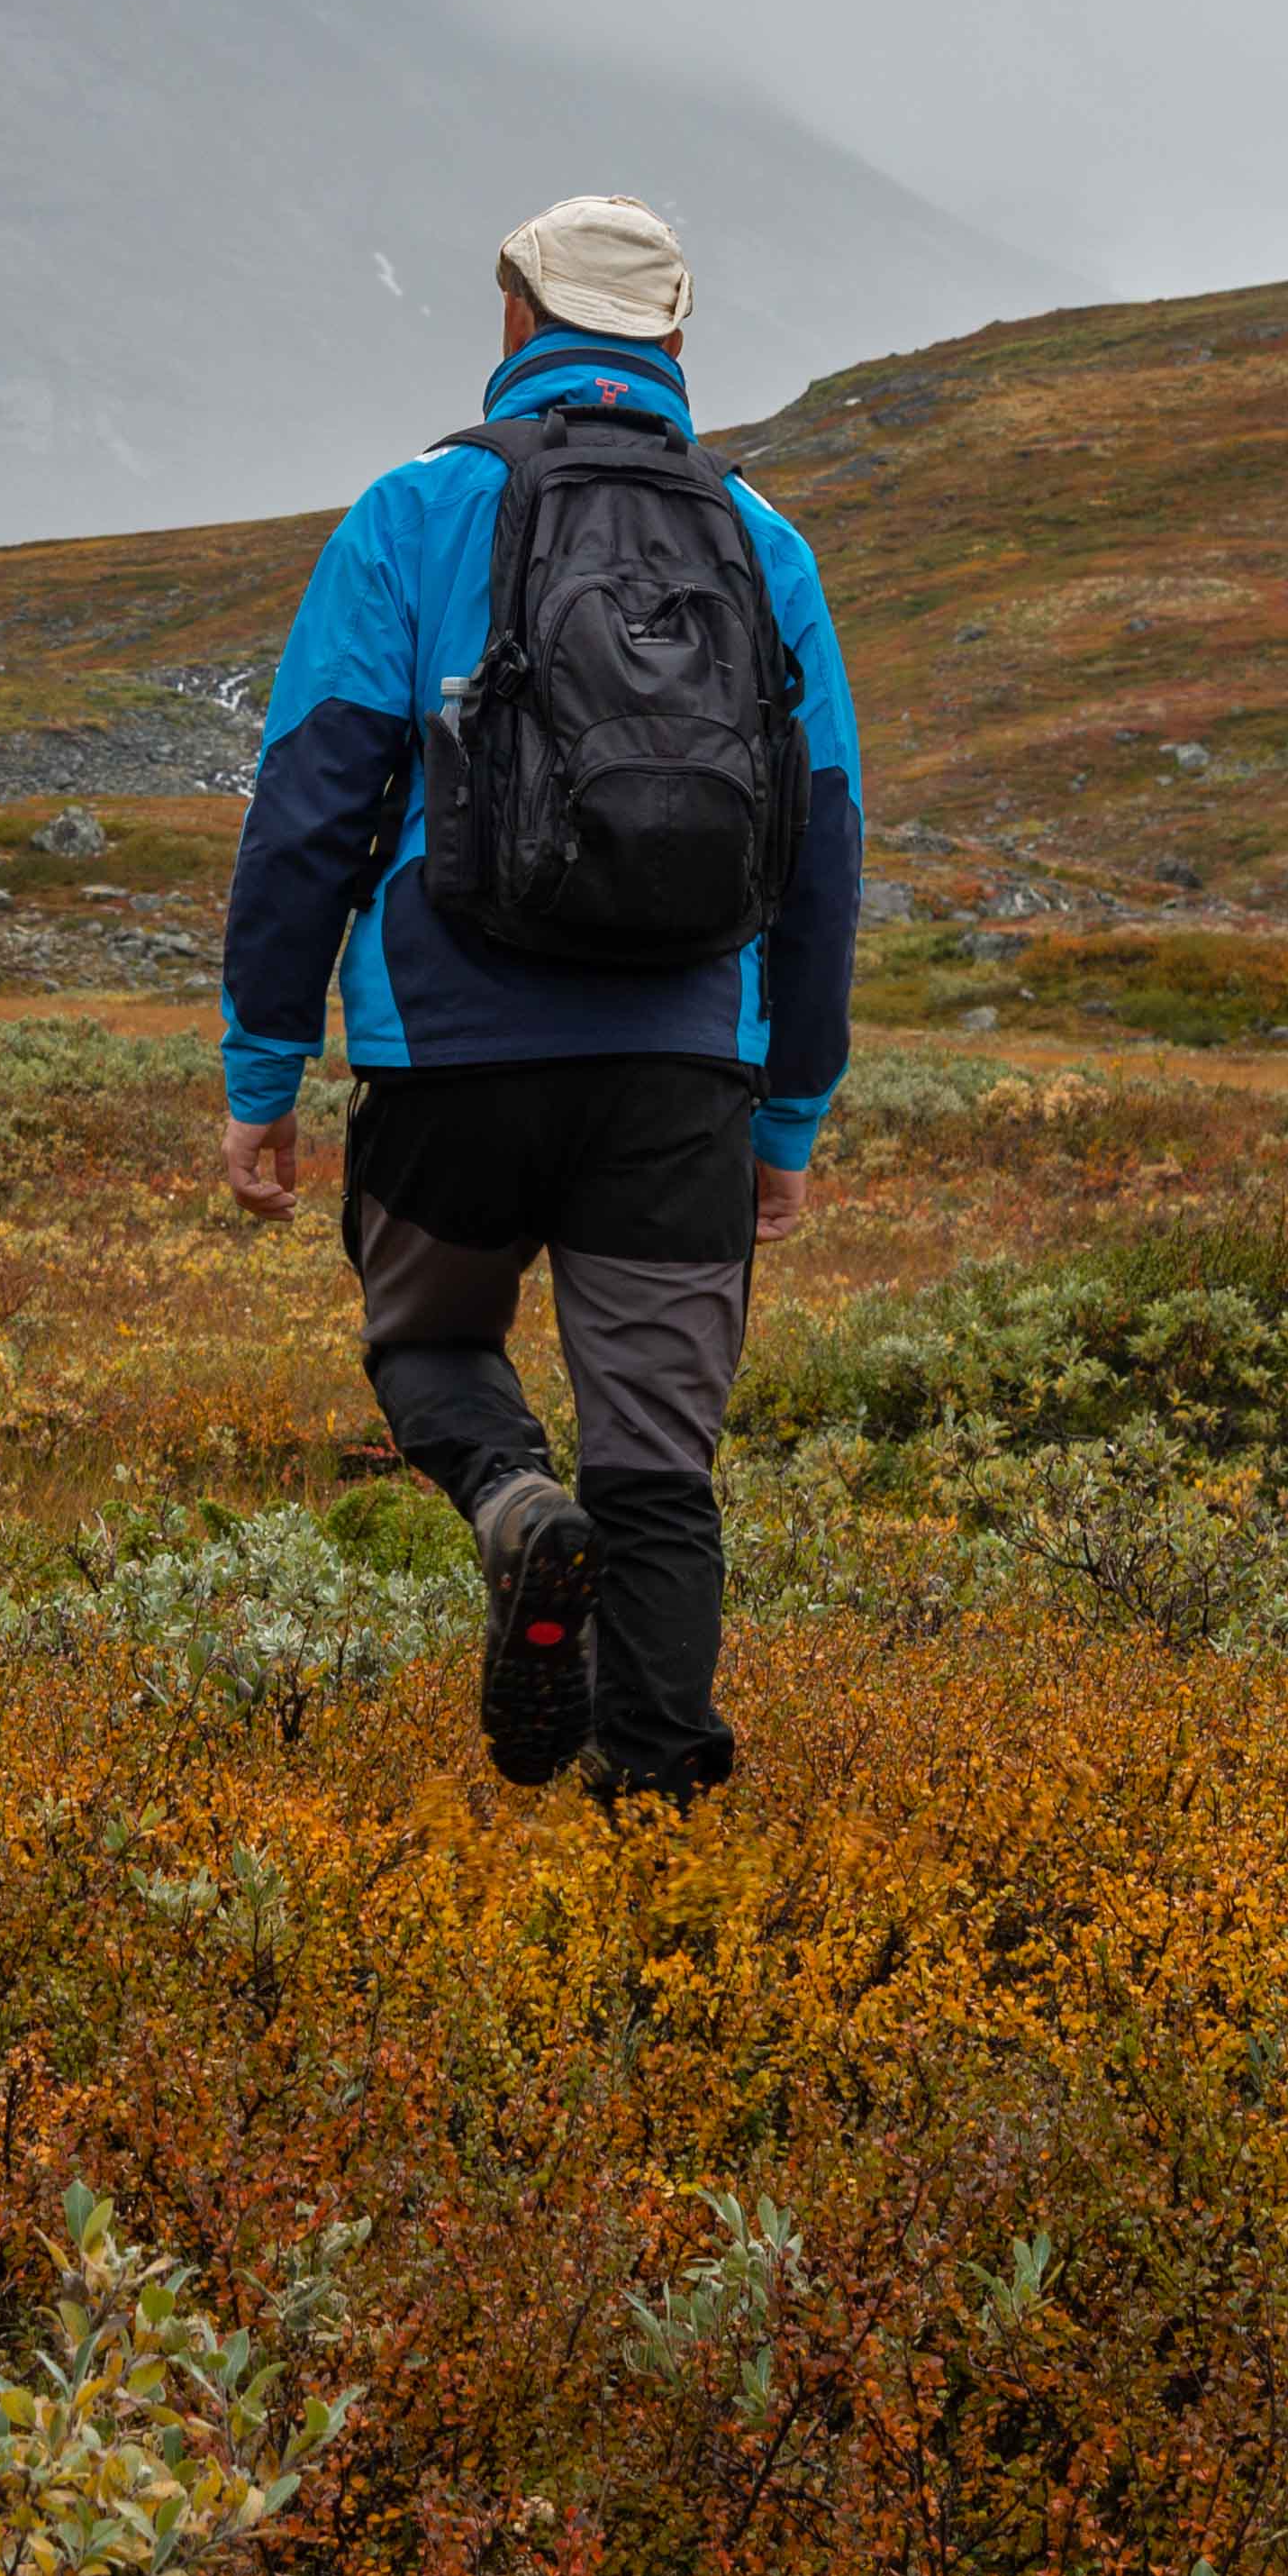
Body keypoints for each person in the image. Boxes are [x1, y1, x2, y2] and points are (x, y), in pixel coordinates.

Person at [213, 194, 864, 1800]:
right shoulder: (762, 543)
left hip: (452, 1044)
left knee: (427, 1337)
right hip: (683, 1069)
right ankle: (657, 1813)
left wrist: (262, 1066)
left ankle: (509, 1501)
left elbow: (307, 807)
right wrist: (789, 1107)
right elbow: (825, 850)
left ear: (513, 318)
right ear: (675, 337)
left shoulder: (411, 512)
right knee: (659, 1462)